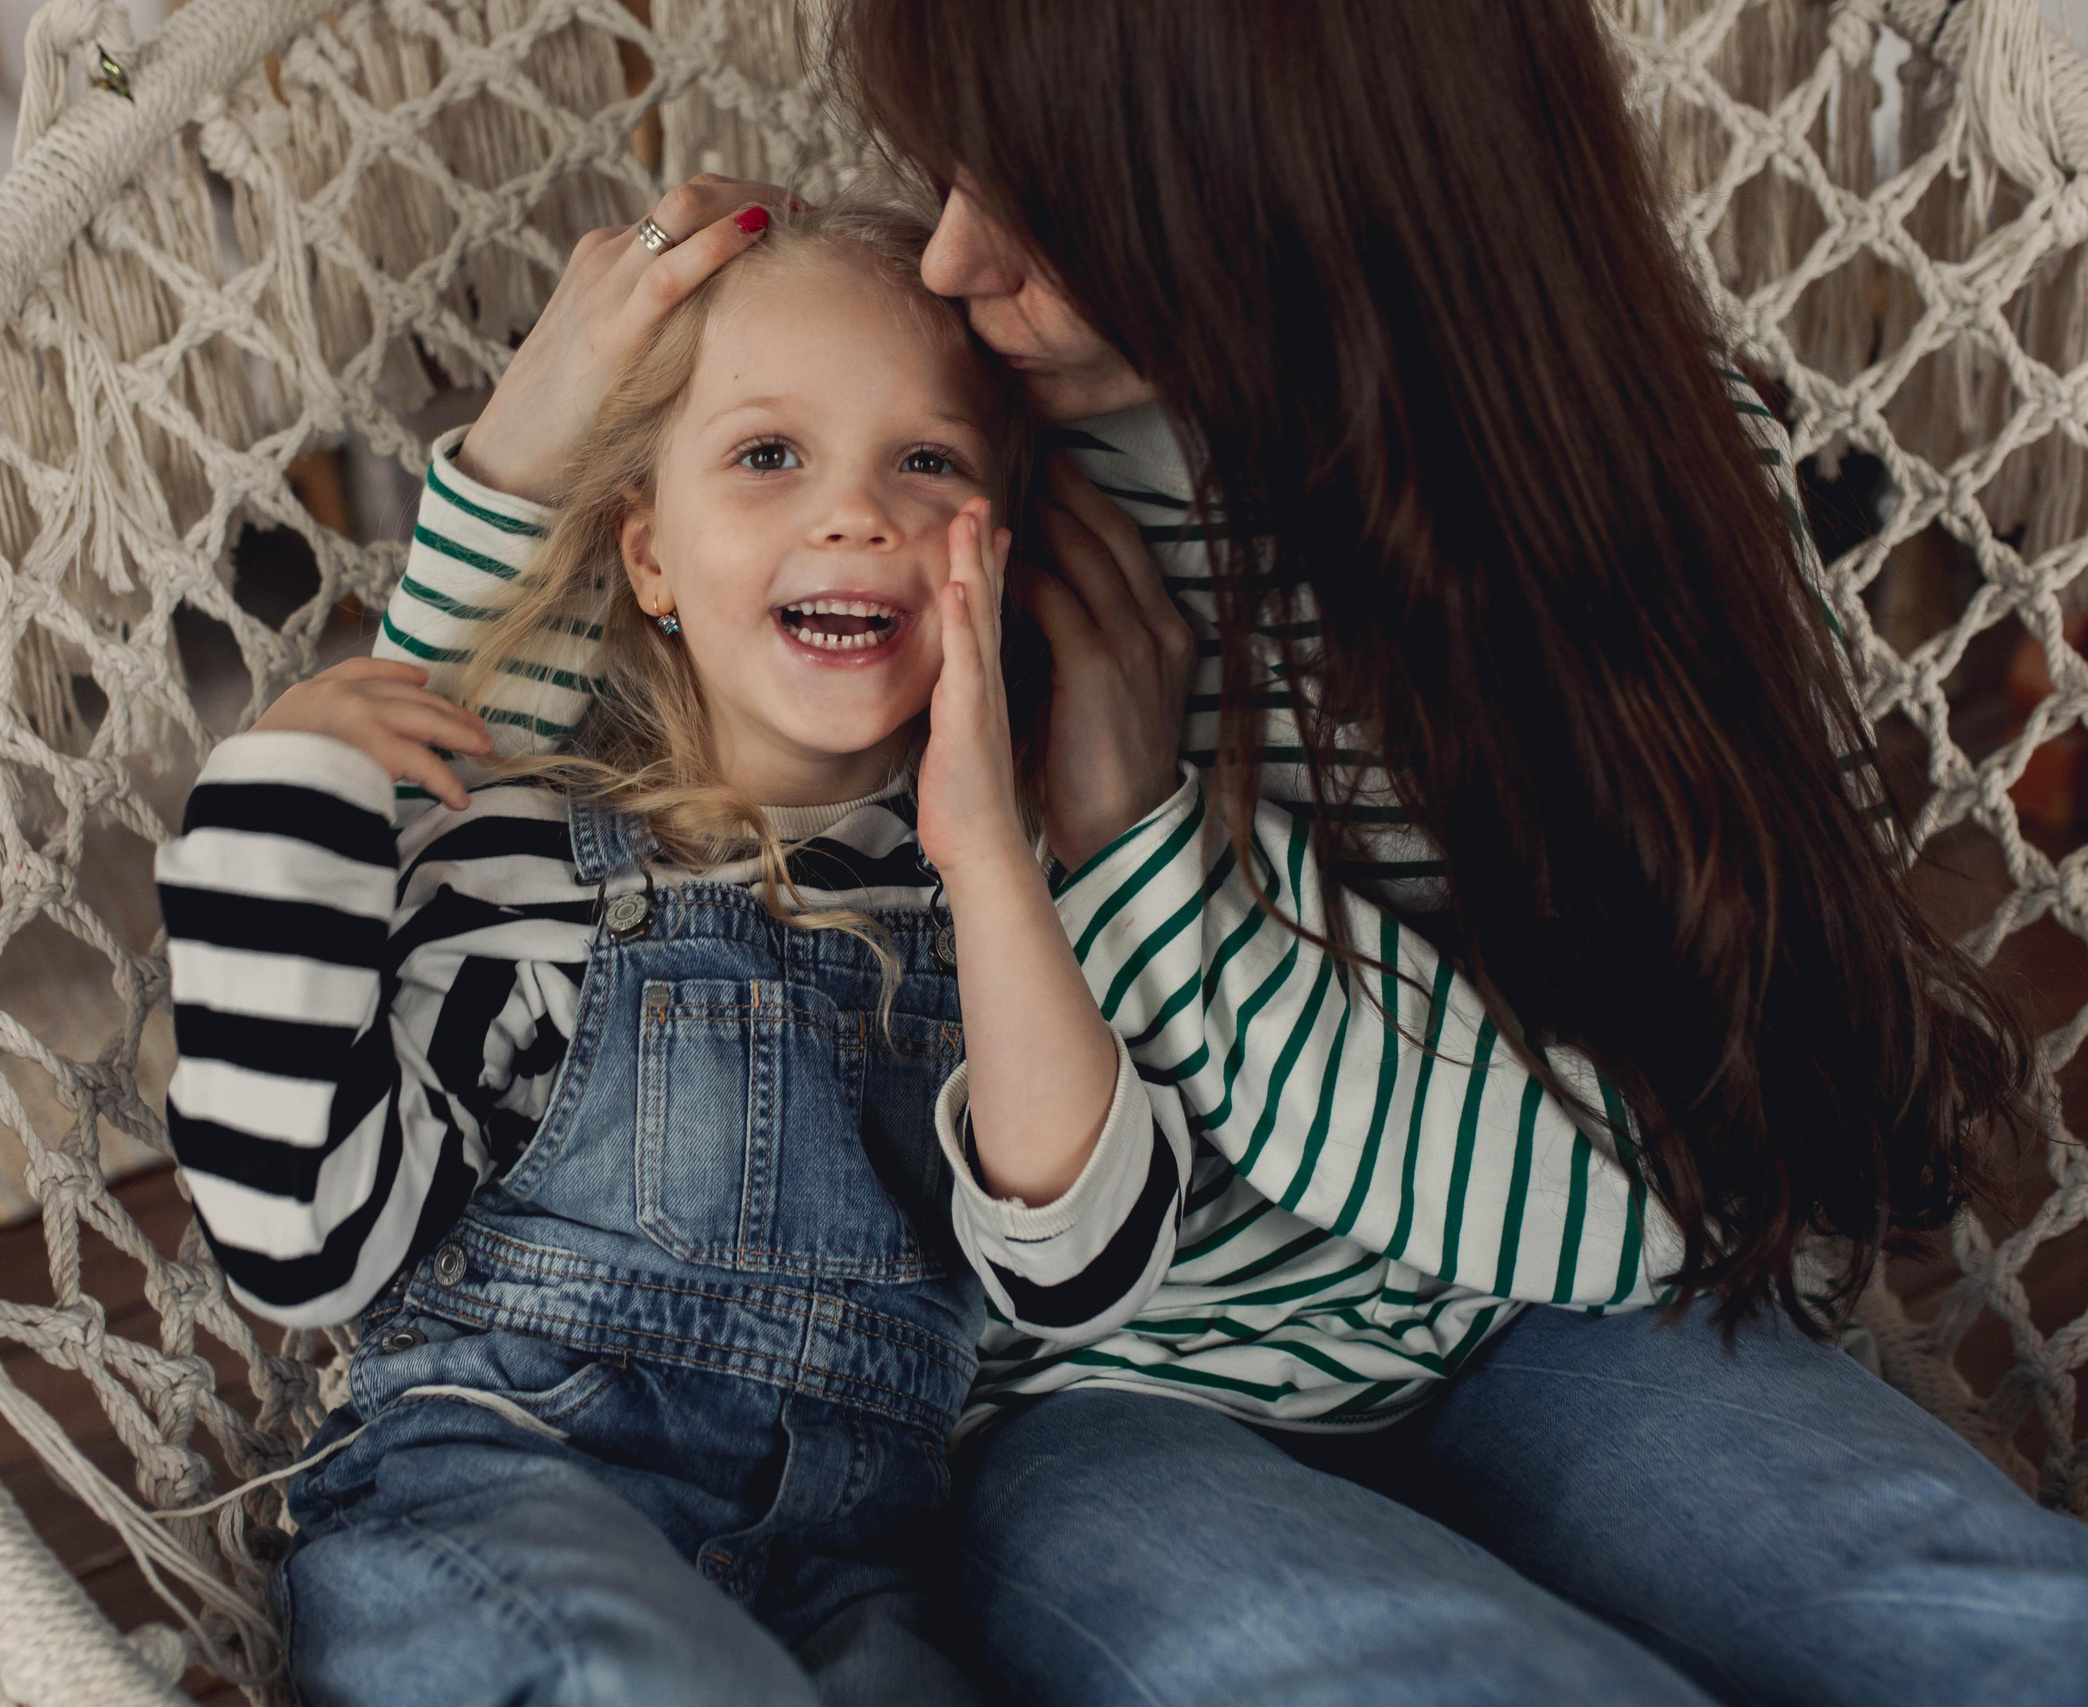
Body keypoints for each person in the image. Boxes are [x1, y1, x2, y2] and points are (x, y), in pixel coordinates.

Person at [361, 2, 2088, 1703]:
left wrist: (1145, 851)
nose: (956, 261)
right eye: (951, 179)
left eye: (1045, 205)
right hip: (1099, 1402)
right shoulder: (959, 464)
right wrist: (522, 464)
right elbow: (473, 840)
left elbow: (1661, 1200)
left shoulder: (1644, 465)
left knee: (1976, 1615)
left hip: (1570, 1323)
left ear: (1284, 182)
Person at [156, 200, 1196, 1706]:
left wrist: (983, 856)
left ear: (1002, 545)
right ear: (649, 554)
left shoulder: (1009, 902)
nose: (856, 515)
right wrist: (279, 795)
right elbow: (304, 1241)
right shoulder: (534, 857)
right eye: (769, 456)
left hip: (858, 1568)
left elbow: (1082, 1271)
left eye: (927, 462)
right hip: (505, 1496)